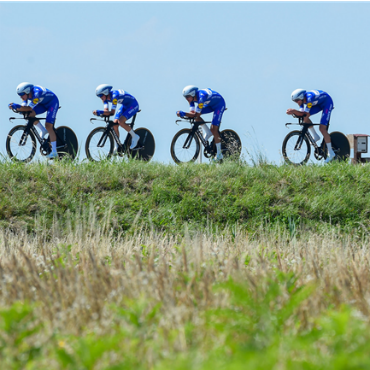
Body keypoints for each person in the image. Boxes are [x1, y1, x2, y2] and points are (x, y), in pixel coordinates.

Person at [8, 82, 59, 159]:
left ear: (27, 91)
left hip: (52, 103)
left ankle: (54, 152)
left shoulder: (37, 93)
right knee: (29, 114)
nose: (21, 97)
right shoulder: (27, 95)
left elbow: (29, 108)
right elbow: (24, 107)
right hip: (42, 103)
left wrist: (18, 107)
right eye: (19, 95)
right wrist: (15, 107)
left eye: (22, 94)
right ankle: (43, 130)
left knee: (49, 126)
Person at [177, 86, 226, 161]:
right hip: (210, 104)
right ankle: (208, 132)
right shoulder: (192, 100)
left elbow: (195, 114)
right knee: (196, 117)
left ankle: (219, 154)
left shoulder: (201, 97)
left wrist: (183, 113)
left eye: (187, 97)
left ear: (192, 94)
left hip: (219, 105)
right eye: (185, 97)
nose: (186, 99)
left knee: (214, 130)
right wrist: (184, 114)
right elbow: (192, 113)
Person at [287, 89, 335, 163]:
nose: (297, 102)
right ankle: (315, 136)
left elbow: (304, 113)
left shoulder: (309, 98)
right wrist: (295, 112)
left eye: (297, 100)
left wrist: (294, 111)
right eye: (295, 101)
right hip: (318, 104)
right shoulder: (302, 100)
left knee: (322, 129)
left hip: (327, 103)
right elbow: (302, 113)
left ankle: (331, 153)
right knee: (305, 118)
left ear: (302, 97)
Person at [93, 84, 140, 150]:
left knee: (120, 122)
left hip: (133, 105)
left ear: (106, 92)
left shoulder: (115, 96)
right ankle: (117, 145)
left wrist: (99, 112)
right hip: (125, 106)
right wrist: (99, 113)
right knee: (114, 124)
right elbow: (106, 111)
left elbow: (112, 112)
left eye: (100, 95)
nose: (100, 97)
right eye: (98, 96)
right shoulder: (105, 99)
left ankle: (135, 137)